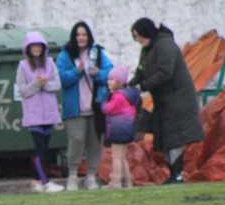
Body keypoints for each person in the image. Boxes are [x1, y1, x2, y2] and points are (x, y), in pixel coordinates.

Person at [129, 18, 204, 183]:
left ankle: (177, 175)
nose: (137, 40)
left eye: (137, 36)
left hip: (178, 100)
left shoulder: (165, 45)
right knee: (165, 138)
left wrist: (143, 86)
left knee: (175, 137)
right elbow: (141, 70)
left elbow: (165, 72)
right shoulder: (147, 48)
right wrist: (131, 84)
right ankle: (173, 174)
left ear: (146, 32)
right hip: (164, 101)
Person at [57, 21, 113, 191]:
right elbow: (62, 79)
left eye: (84, 34)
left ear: (89, 36)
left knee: (95, 143)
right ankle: (72, 175)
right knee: (76, 140)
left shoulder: (98, 52)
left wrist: (99, 74)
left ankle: (91, 176)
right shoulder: (65, 55)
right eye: (78, 35)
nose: (81, 38)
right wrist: (77, 71)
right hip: (75, 109)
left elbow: (110, 74)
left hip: (95, 107)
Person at [16, 31, 64, 193]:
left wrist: (45, 84)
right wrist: (36, 84)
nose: (36, 49)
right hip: (33, 115)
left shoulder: (50, 63)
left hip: (49, 113)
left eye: (39, 46)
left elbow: (57, 84)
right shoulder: (23, 66)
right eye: (33, 46)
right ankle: (44, 181)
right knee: (39, 148)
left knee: (46, 149)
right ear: (28, 48)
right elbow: (22, 91)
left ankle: (38, 181)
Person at [101, 66, 141, 188]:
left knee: (116, 156)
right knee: (123, 157)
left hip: (118, 130)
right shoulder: (129, 95)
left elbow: (108, 109)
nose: (109, 82)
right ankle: (128, 182)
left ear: (119, 82)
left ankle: (115, 182)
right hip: (127, 130)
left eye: (112, 79)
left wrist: (102, 103)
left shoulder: (118, 96)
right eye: (109, 79)